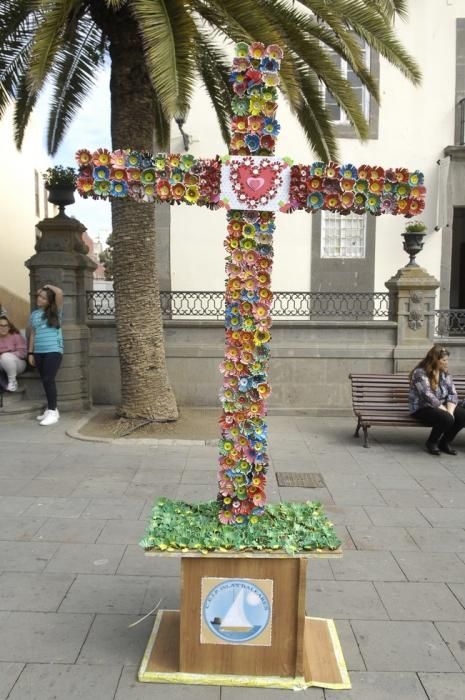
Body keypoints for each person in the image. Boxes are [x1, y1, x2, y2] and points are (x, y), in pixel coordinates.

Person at [409, 345, 465, 455]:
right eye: (444, 360)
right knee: (447, 418)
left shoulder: (444, 373)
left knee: (463, 415)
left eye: (447, 360)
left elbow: (452, 394)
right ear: (435, 360)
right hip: (422, 407)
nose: (447, 362)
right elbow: (427, 396)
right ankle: (432, 442)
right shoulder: (419, 373)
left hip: (441, 405)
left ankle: (444, 442)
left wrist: (450, 411)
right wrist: (447, 413)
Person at [28, 284, 64, 426]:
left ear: (49, 301)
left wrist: (47, 287)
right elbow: (33, 334)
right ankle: (51, 410)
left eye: (44, 298)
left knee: (49, 379)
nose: (40, 299)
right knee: (45, 380)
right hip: (38, 351)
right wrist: (30, 352)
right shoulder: (34, 314)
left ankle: (53, 411)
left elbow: (59, 292)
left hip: (53, 350)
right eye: (39, 297)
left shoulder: (57, 312)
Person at [0, 316, 27, 391]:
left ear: (9, 327)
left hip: (18, 364)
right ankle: (4, 385)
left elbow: (23, 354)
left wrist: (7, 354)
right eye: (1, 326)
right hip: (2, 365)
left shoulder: (16, 336)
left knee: (6, 357)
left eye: (6, 326)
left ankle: (12, 381)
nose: (3, 328)